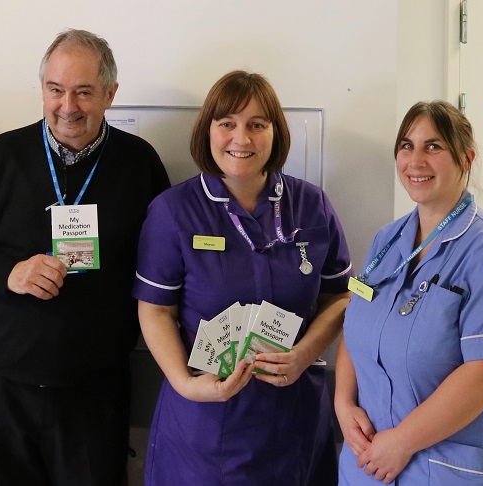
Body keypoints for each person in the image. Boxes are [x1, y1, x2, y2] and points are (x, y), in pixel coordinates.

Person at [0, 29, 170, 485]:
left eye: (84, 92)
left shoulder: (140, 164)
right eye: (55, 90)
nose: (68, 106)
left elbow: (163, 269)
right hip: (5, 390)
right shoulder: (5, 155)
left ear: (110, 94)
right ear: (42, 89)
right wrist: (11, 273)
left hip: (94, 395)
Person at [132, 70, 353, 485]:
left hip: (294, 416)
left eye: (257, 125)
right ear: (207, 131)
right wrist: (187, 384)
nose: (242, 138)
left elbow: (341, 298)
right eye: (227, 123)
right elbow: (156, 311)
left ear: (276, 133)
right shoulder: (173, 211)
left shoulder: (311, 204)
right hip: (203, 417)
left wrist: (304, 353)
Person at [336, 100, 483, 485]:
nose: (416, 160)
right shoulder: (386, 241)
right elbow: (354, 324)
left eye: (434, 146)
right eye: (407, 146)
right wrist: (343, 404)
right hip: (370, 464)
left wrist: (403, 442)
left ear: (466, 158)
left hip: (453, 469)